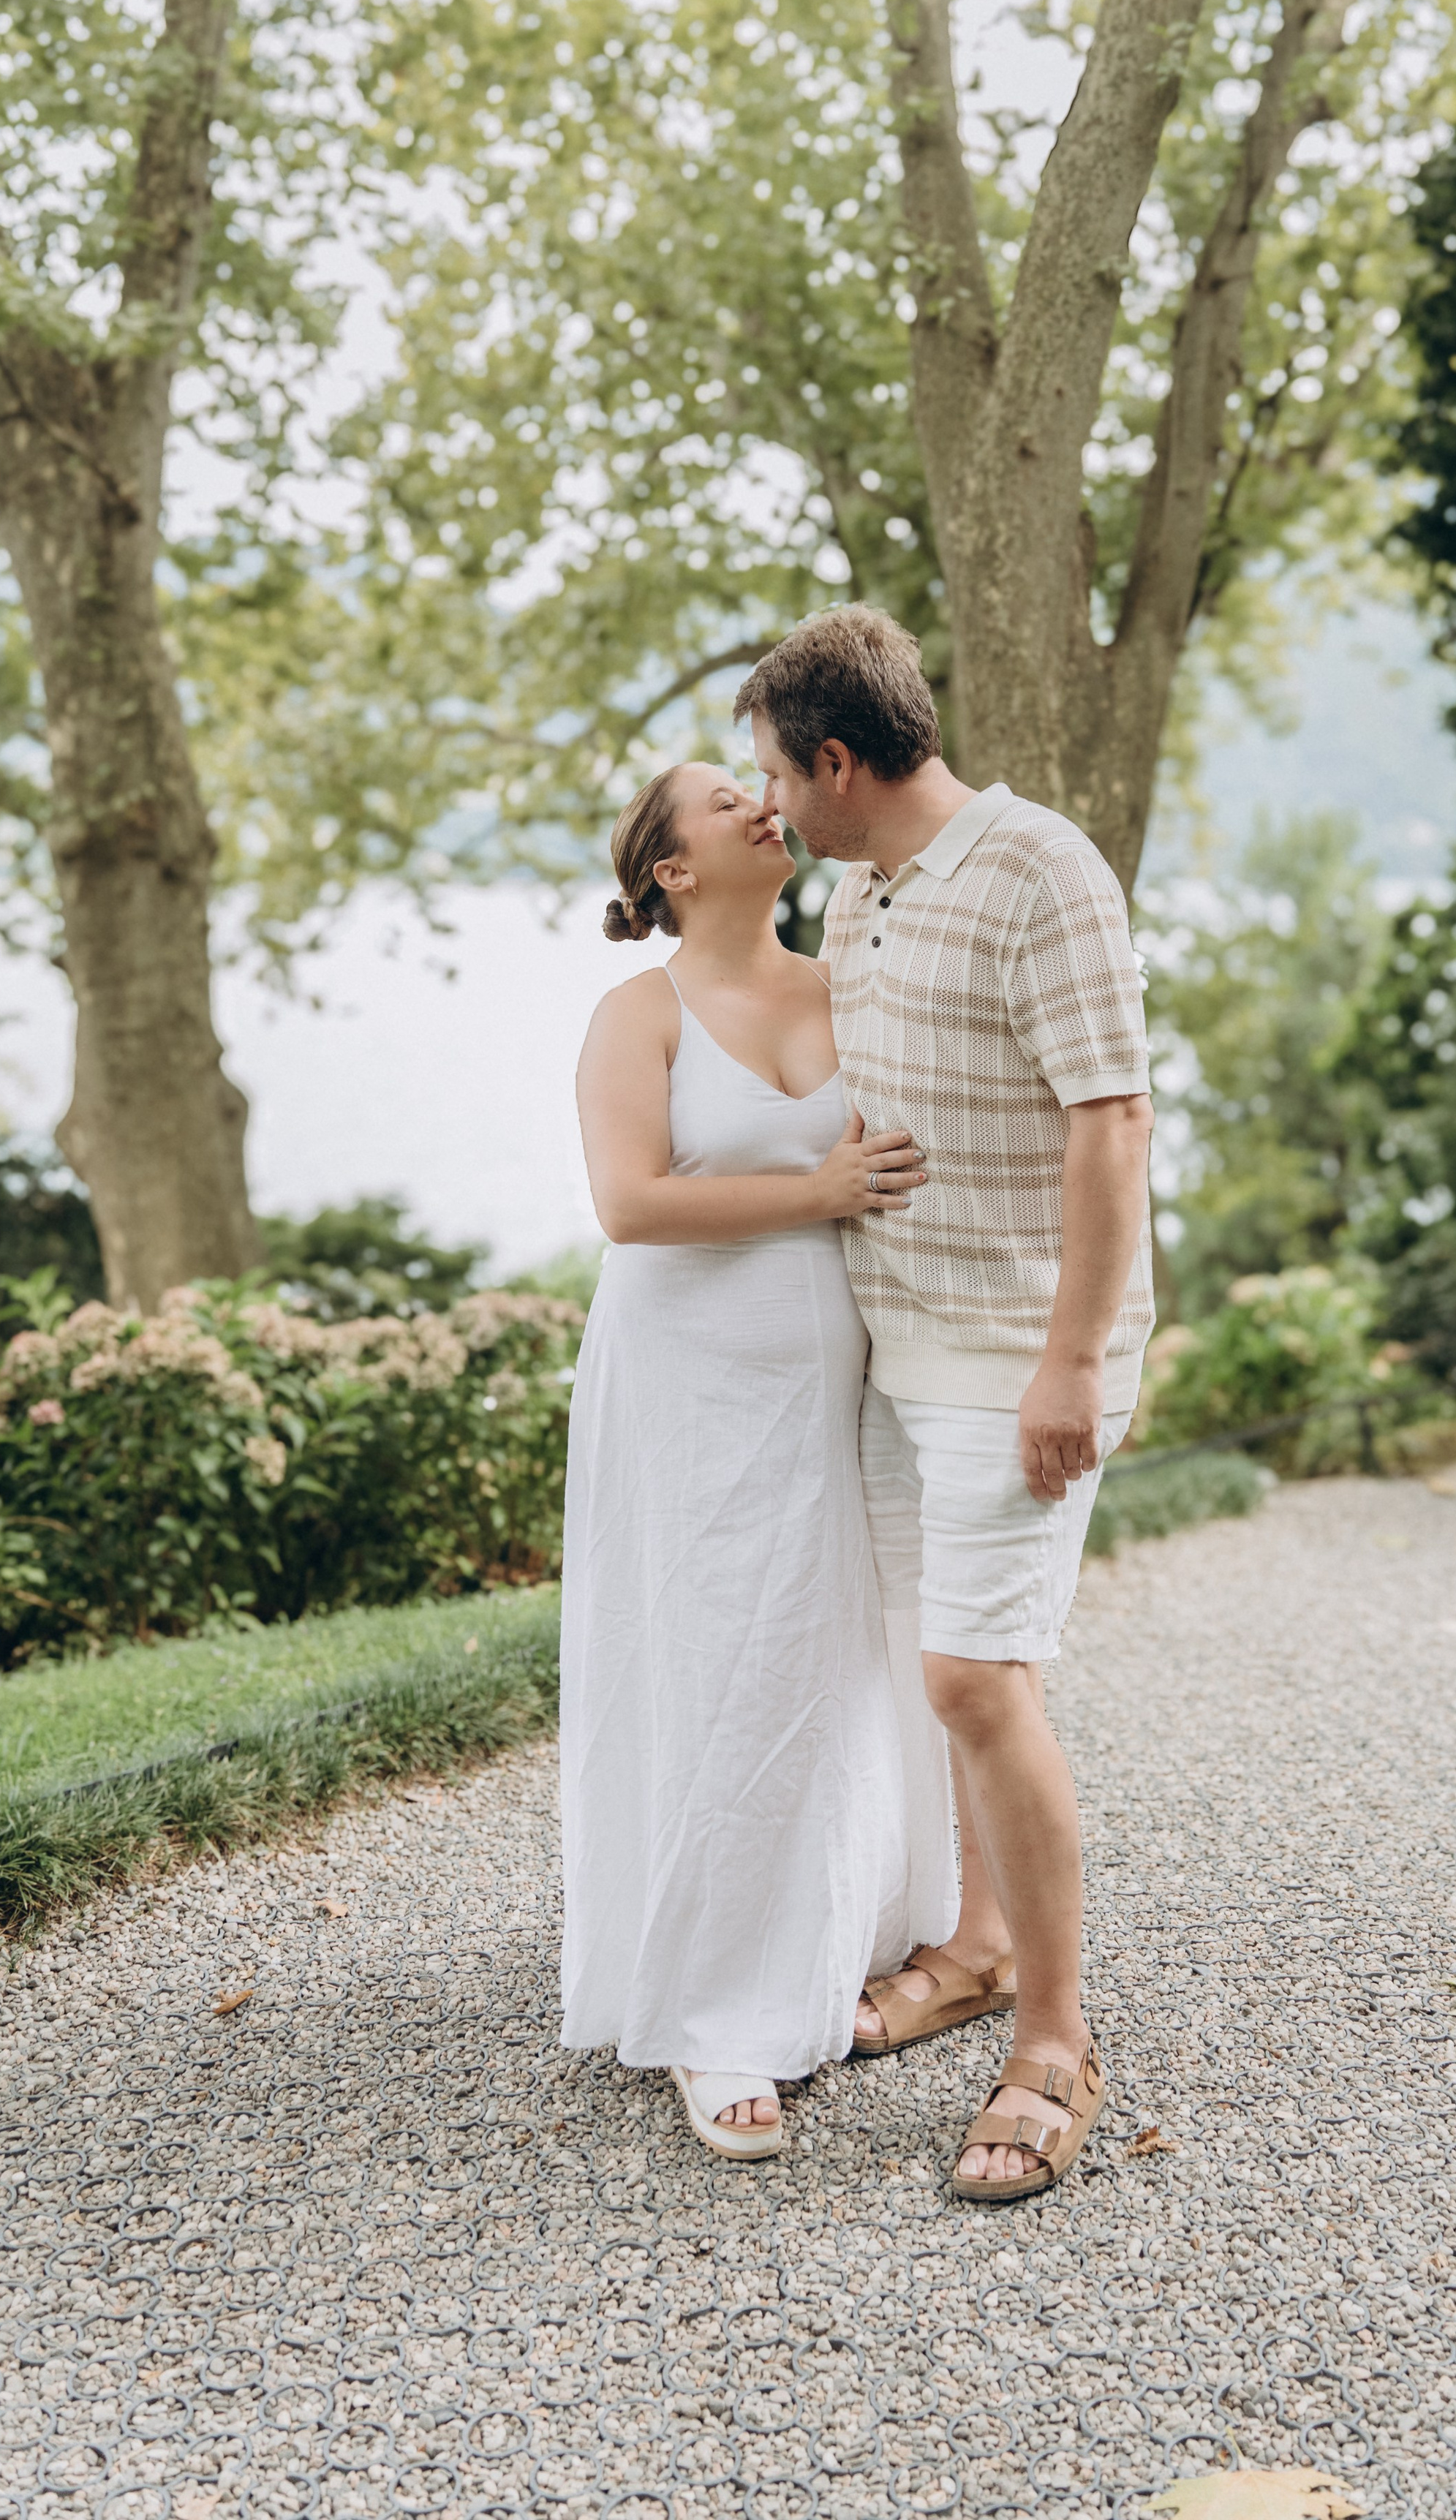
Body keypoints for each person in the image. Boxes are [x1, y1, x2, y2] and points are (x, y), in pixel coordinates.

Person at [735, 608, 1156, 2203]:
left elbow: (1108, 1125)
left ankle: (1052, 2038)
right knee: (934, 1672)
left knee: (980, 1677)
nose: (768, 805)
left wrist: (1070, 1360)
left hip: (1011, 1358)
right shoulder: (857, 888)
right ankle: (977, 1945)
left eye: (777, 774)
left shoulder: (1039, 866)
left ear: (838, 761)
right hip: (889, 1351)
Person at [559, 760, 957, 2160]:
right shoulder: (638, 1014)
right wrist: (822, 1189)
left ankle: (837, 1930)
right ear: (671, 869)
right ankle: (718, 2016)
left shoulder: (850, 975)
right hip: (687, 1392)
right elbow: (631, 1204)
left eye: (760, 786)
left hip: (840, 1385)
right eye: (725, 798)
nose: (760, 803)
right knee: (720, 1662)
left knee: (828, 1660)